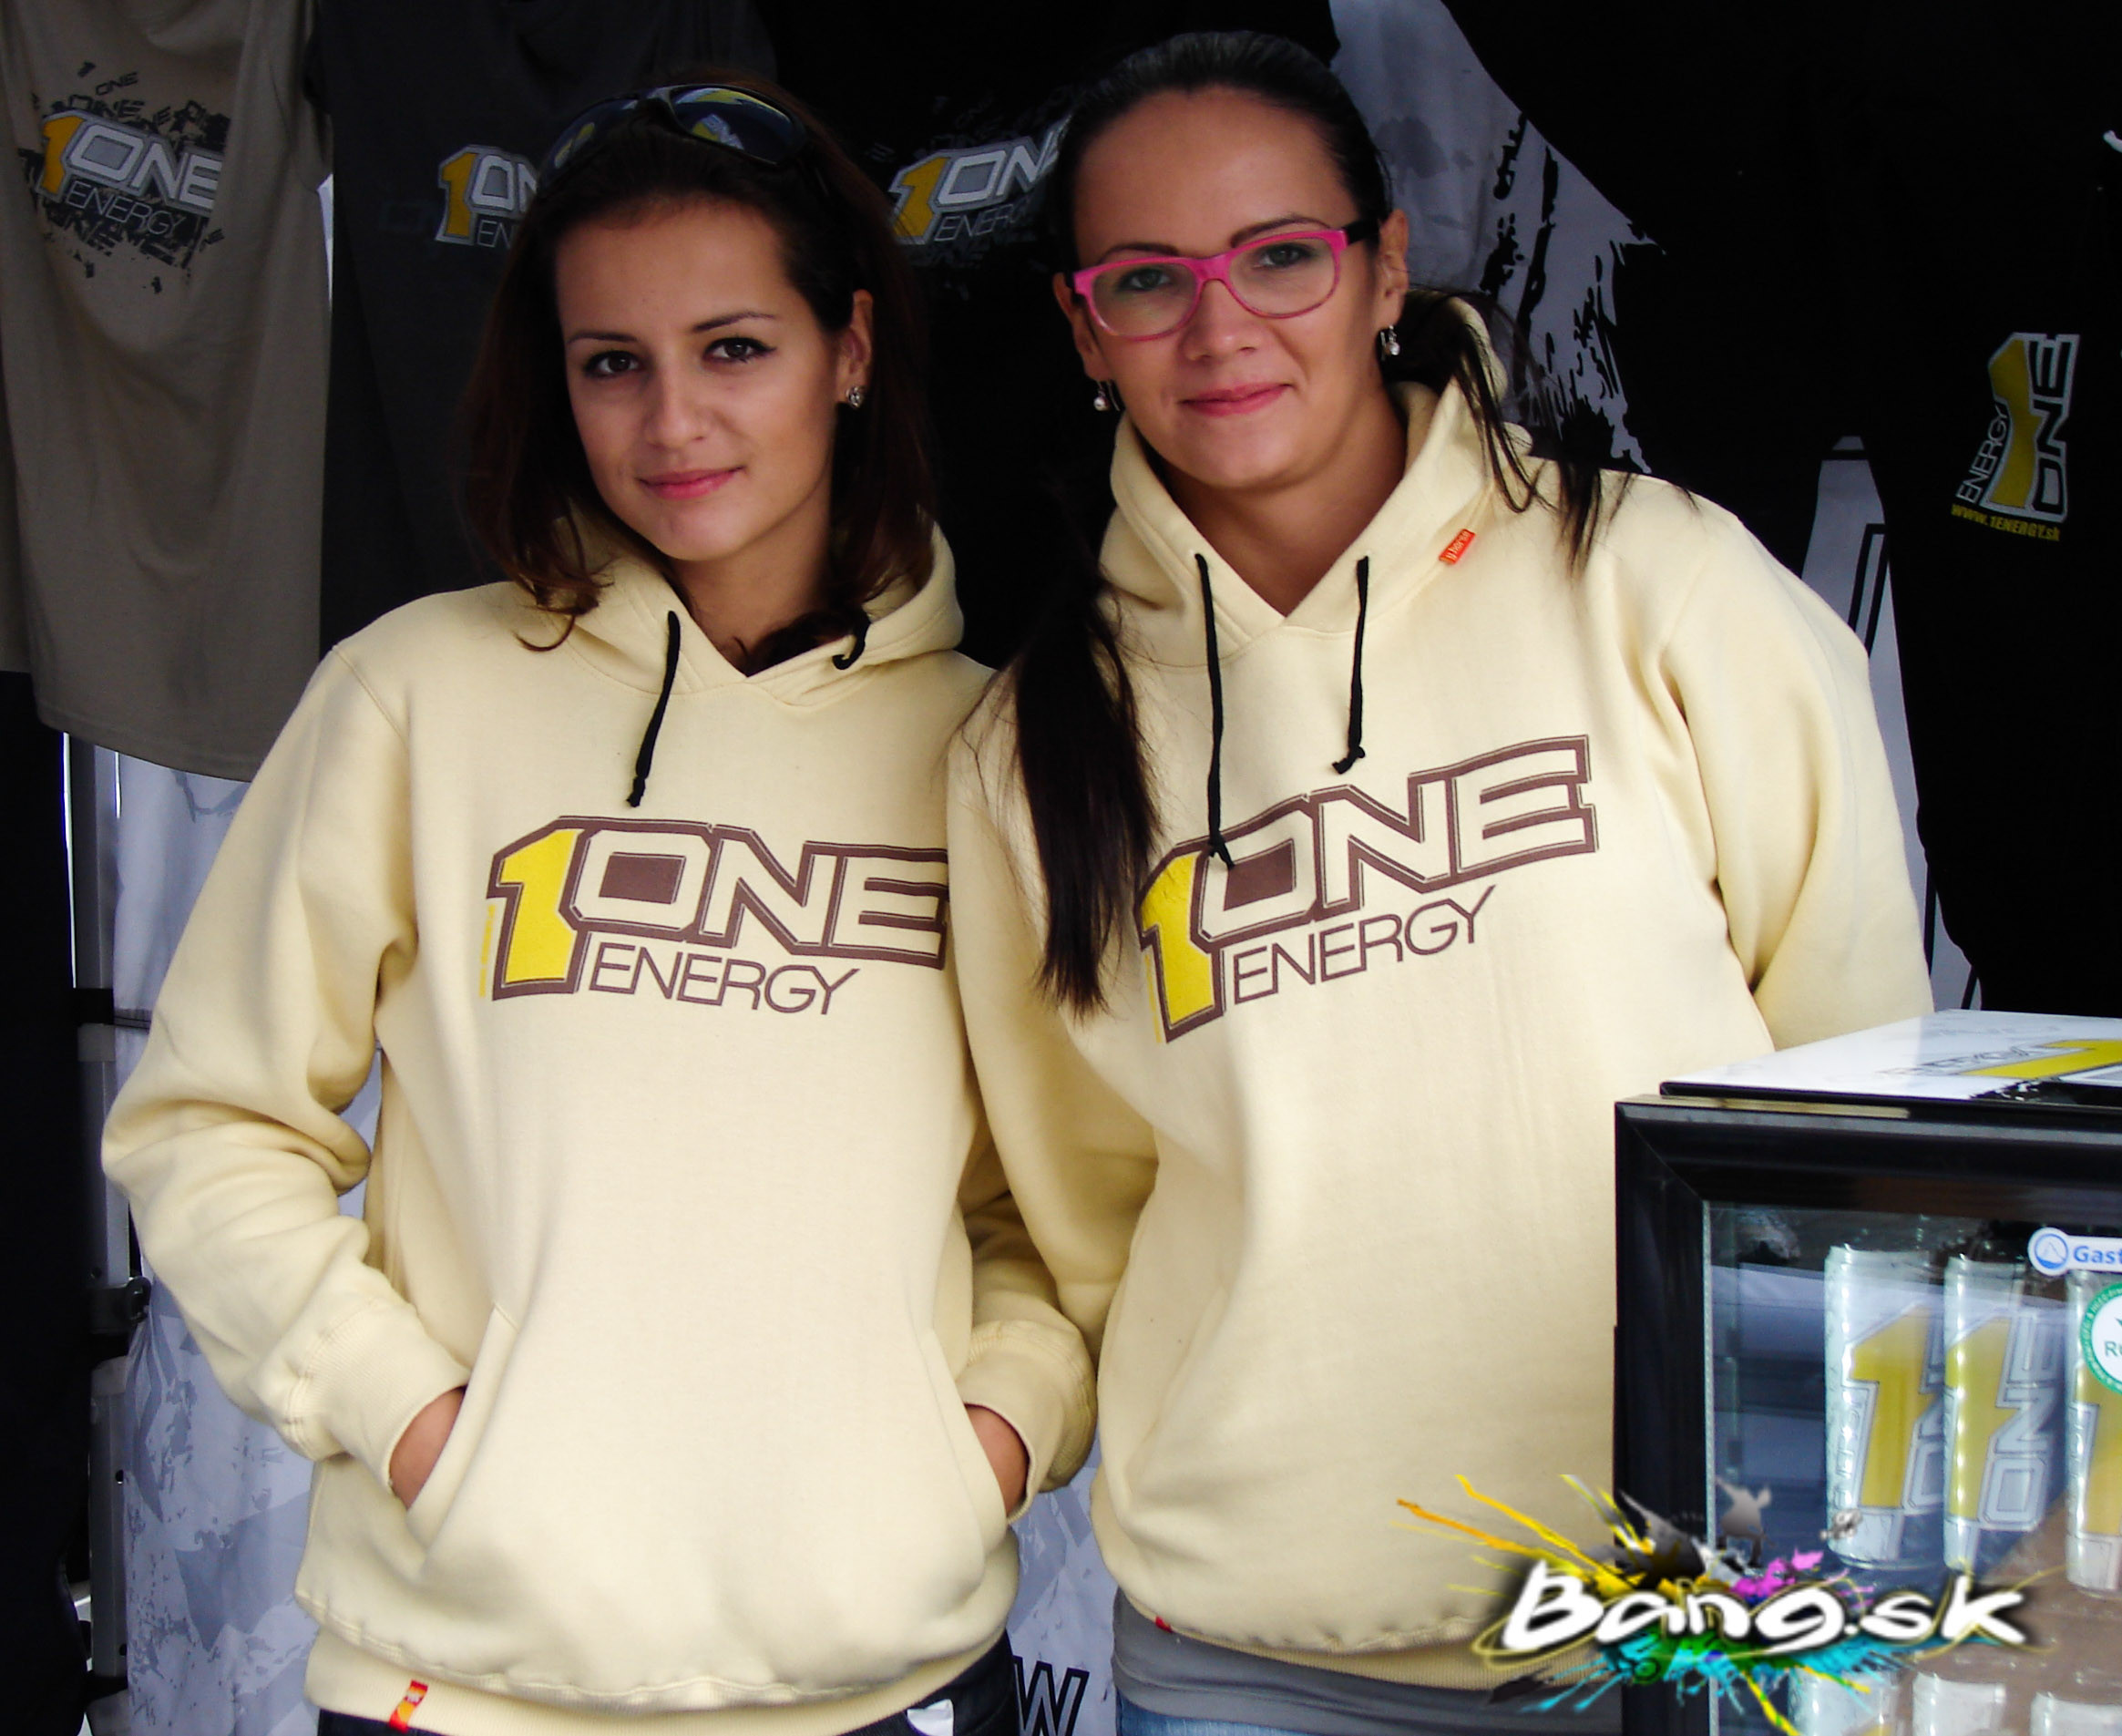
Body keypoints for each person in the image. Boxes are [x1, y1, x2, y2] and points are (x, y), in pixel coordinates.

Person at [945, 31, 1932, 1734]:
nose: (1219, 327)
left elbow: (1857, 1088)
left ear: (1384, 267)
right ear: (1083, 329)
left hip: (1688, 1622)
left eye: (1278, 256)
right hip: (1256, 1652)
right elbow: (1085, 1205)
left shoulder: (1655, 579)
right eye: (1146, 280)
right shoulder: (1033, 745)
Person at [103, 73, 1093, 1736]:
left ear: (850, 349)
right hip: (470, 1679)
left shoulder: (985, 746)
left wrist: (982, 1443)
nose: (672, 422)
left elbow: (1059, 1202)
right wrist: (417, 1422)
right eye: (611, 363)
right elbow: (209, 1124)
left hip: (889, 1673)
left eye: (733, 348)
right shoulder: (413, 694)